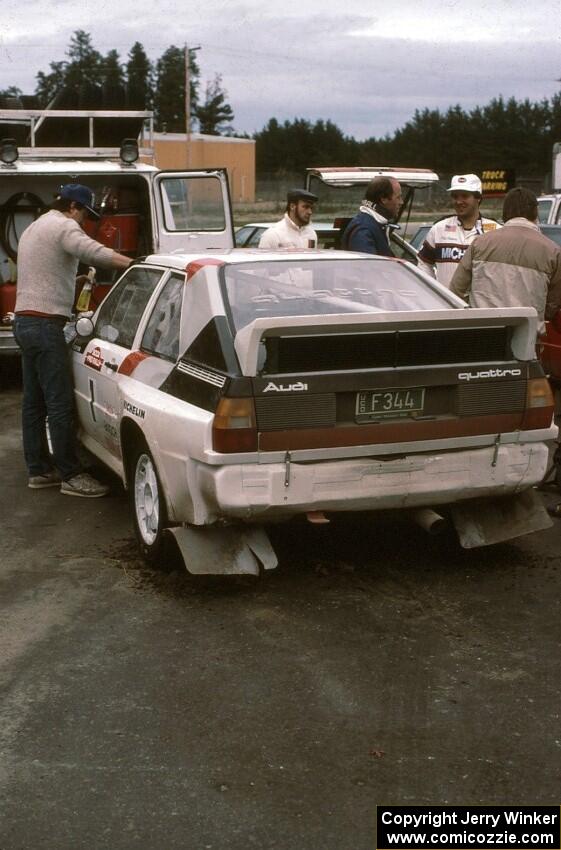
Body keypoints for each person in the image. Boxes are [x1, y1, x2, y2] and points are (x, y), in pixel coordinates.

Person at [14, 183, 133, 497]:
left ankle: (39, 470)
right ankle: (71, 475)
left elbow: (44, 269)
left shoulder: (35, 227)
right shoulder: (64, 226)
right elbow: (92, 251)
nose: (82, 222)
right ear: (73, 207)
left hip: (25, 322)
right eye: (84, 214)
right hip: (45, 325)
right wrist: (131, 264)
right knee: (60, 403)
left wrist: (72, 281)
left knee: (33, 403)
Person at [450, 187, 561, 332]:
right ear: (536, 212)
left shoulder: (480, 243)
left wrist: (474, 312)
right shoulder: (552, 251)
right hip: (527, 338)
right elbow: (553, 304)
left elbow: (456, 290)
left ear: (505, 212)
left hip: (481, 335)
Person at [417, 174, 500, 288]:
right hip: (445, 303)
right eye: (455, 197)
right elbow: (424, 263)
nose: (459, 201)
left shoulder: (495, 230)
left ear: (478, 198)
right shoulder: (439, 228)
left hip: (481, 305)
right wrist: (433, 291)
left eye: (465, 196)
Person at [341, 176, 402, 256]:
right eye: (398, 197)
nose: (401, 202)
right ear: (383, 199)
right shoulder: (363, 230)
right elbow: (368, 267)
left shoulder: (374, 225)